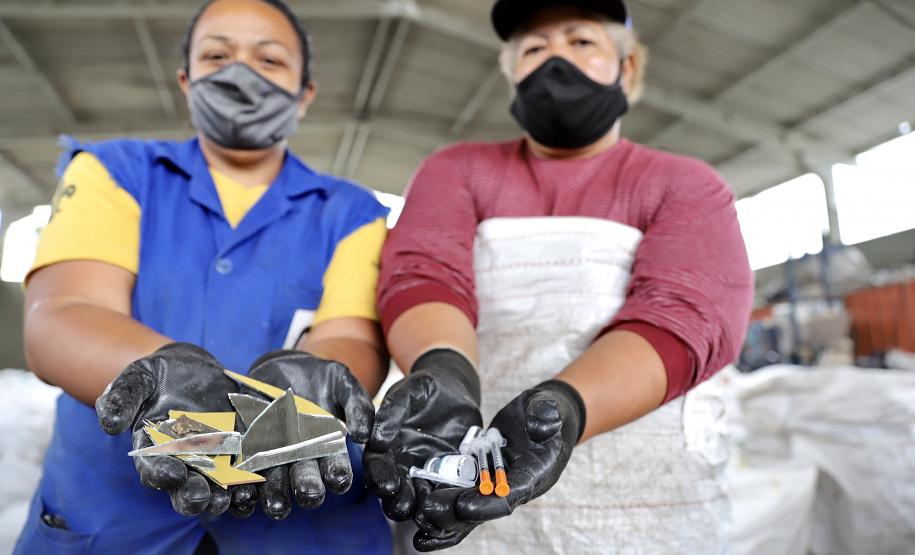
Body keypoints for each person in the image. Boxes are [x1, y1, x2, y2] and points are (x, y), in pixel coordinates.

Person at [364, 0, 754, 552]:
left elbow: (687, 313)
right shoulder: (458, 170)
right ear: (512, 73)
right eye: (535, 48)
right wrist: (444, 370)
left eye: (581, 42)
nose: (556, 62)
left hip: (648, 501)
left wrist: (564, 409)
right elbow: (424, 275)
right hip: (478, 476)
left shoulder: (683, 183)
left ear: (628, 67)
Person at [14, 0, 392, 553]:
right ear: (187, 81)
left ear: (304, 94)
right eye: (218, 55)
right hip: (114, 520)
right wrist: (172, 378)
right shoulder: (113, 173)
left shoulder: (352, 213)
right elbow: (63, 313)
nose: (241, 73)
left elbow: (351, 337)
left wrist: (309, 384)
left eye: (269, 60)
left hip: (302, 527)